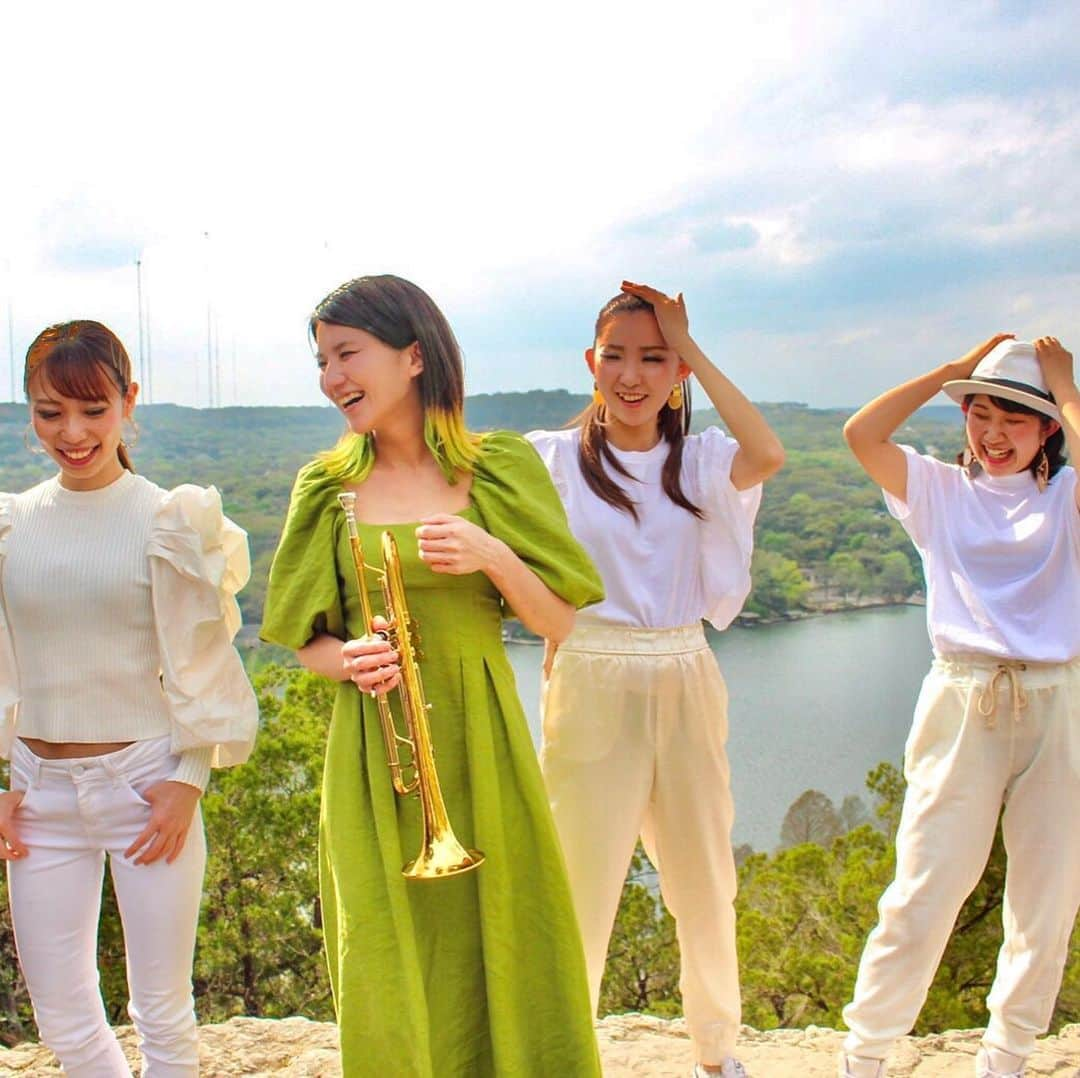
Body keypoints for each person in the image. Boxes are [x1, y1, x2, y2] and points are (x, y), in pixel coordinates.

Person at [260, 274, 604, 1078]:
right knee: (386, 943)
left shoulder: (499, 467)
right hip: (376, 756)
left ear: (414, 356)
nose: (332, 377)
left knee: (510, 930)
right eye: (321, 360)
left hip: (479, 735)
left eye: (348, 353)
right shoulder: (327, 485)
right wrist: (342, 659)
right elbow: (305, 640)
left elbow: (558, 620)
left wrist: (492, 554)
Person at [527, 281, 785, 1078]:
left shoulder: (701, 461)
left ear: (678, 372)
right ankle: (566, 1055)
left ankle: (717, 1050)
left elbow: (768, 453)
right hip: (593, 669)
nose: (631, 375)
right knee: (580, 883)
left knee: (705, 878)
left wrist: (693, 347)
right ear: (590, 362)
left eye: (654, 357)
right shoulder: (553, 459)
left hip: (683, 667)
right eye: (616, 356)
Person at [0, 320, 258, 1076]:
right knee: (63, 1016)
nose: (72, 433)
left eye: (92, 410)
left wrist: (189, 779)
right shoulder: (11, 524)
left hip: (146, 788)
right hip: (38, 799)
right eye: (50, 412)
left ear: (128, 402)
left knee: (163, 1013)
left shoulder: (170, 519)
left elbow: (204, 664)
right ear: (29, 412)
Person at [839, 335, 1080, 1078]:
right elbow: (862, 434)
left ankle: (1005, 1057)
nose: (994, 433)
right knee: (924, 887)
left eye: (1016, 416)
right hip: (962, 697)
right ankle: (866, 1053)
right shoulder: (939, 490)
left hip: (1059, 699)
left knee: (1047, 896)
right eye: (980, 413)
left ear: (1048, 430)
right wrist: (951, 373)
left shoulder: (1066, 501)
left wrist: (1067, 390)